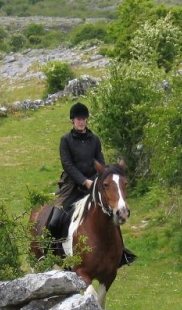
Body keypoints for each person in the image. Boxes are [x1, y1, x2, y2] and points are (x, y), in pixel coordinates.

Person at [46, 102, 135, 266]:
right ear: (72, 121)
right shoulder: (65, 140)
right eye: (78, 119)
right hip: (72, 186)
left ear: (86, 121)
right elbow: (68, 165)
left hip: (94, 184)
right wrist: (83, 181)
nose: (81, 122)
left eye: (83, 119)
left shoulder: (94, 140)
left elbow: (100, 162)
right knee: (55, 219)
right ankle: (50, 251)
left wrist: (97, 180)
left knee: (110, 214)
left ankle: (120, 252)